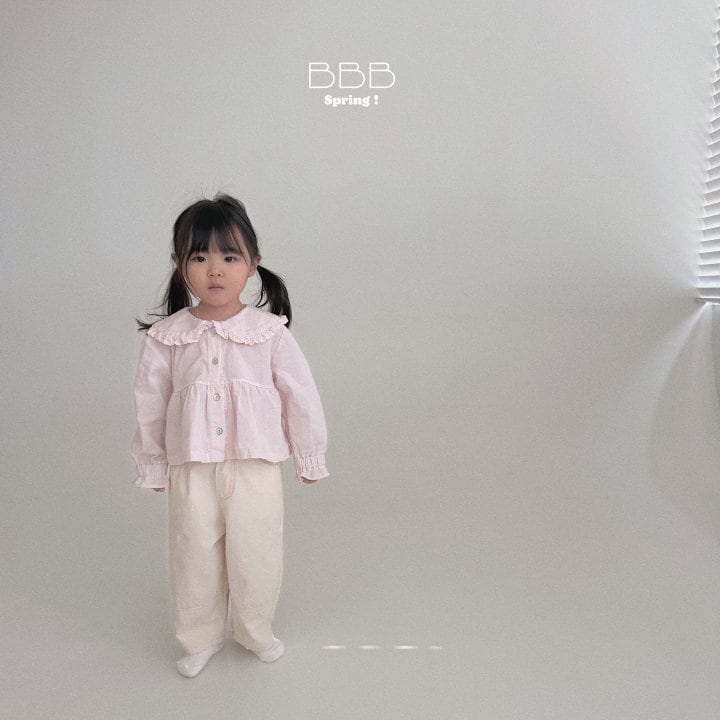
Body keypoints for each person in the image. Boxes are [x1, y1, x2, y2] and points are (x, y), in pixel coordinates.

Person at [131, 193, 329, 678]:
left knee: (257, 551)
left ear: (253, 264)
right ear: (179, 264)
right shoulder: (168, 337)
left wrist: (309, 455)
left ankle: (255, 630)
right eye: (199, 257)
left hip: (255, 465)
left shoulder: (269, 333)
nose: (215, 269)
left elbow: (300, 395)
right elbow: (150, 404)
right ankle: (199, 637)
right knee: (192, 553)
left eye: (230, 257)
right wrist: (153, 464)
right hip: (192, 466)